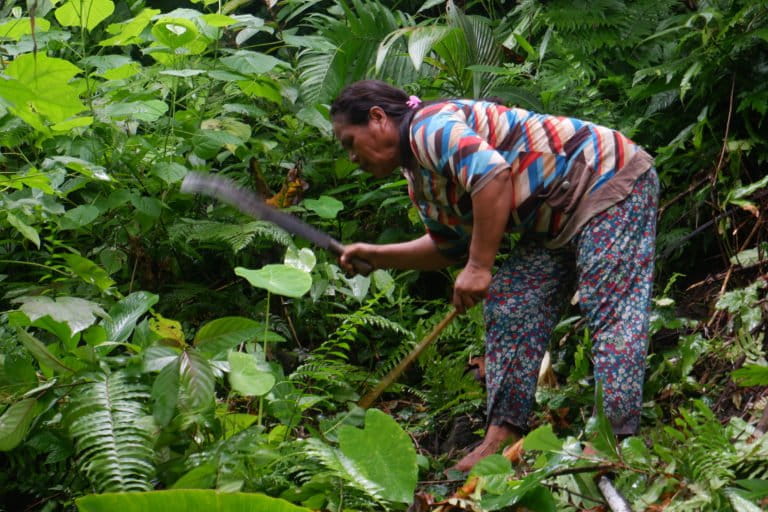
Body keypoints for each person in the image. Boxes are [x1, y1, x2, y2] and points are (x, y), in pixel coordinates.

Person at [331, 80, 658, 472]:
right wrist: (377, 256)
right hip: (554, 219)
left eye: (350, 142)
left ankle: (613, 439)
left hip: (608, 179)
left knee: (609, 308)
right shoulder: (419, 177)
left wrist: (479, 266)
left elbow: (491, 176)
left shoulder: (429, 127)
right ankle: (501, 437)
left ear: (378, 118)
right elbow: (448, 247)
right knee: (510, 303)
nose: (351, 157)